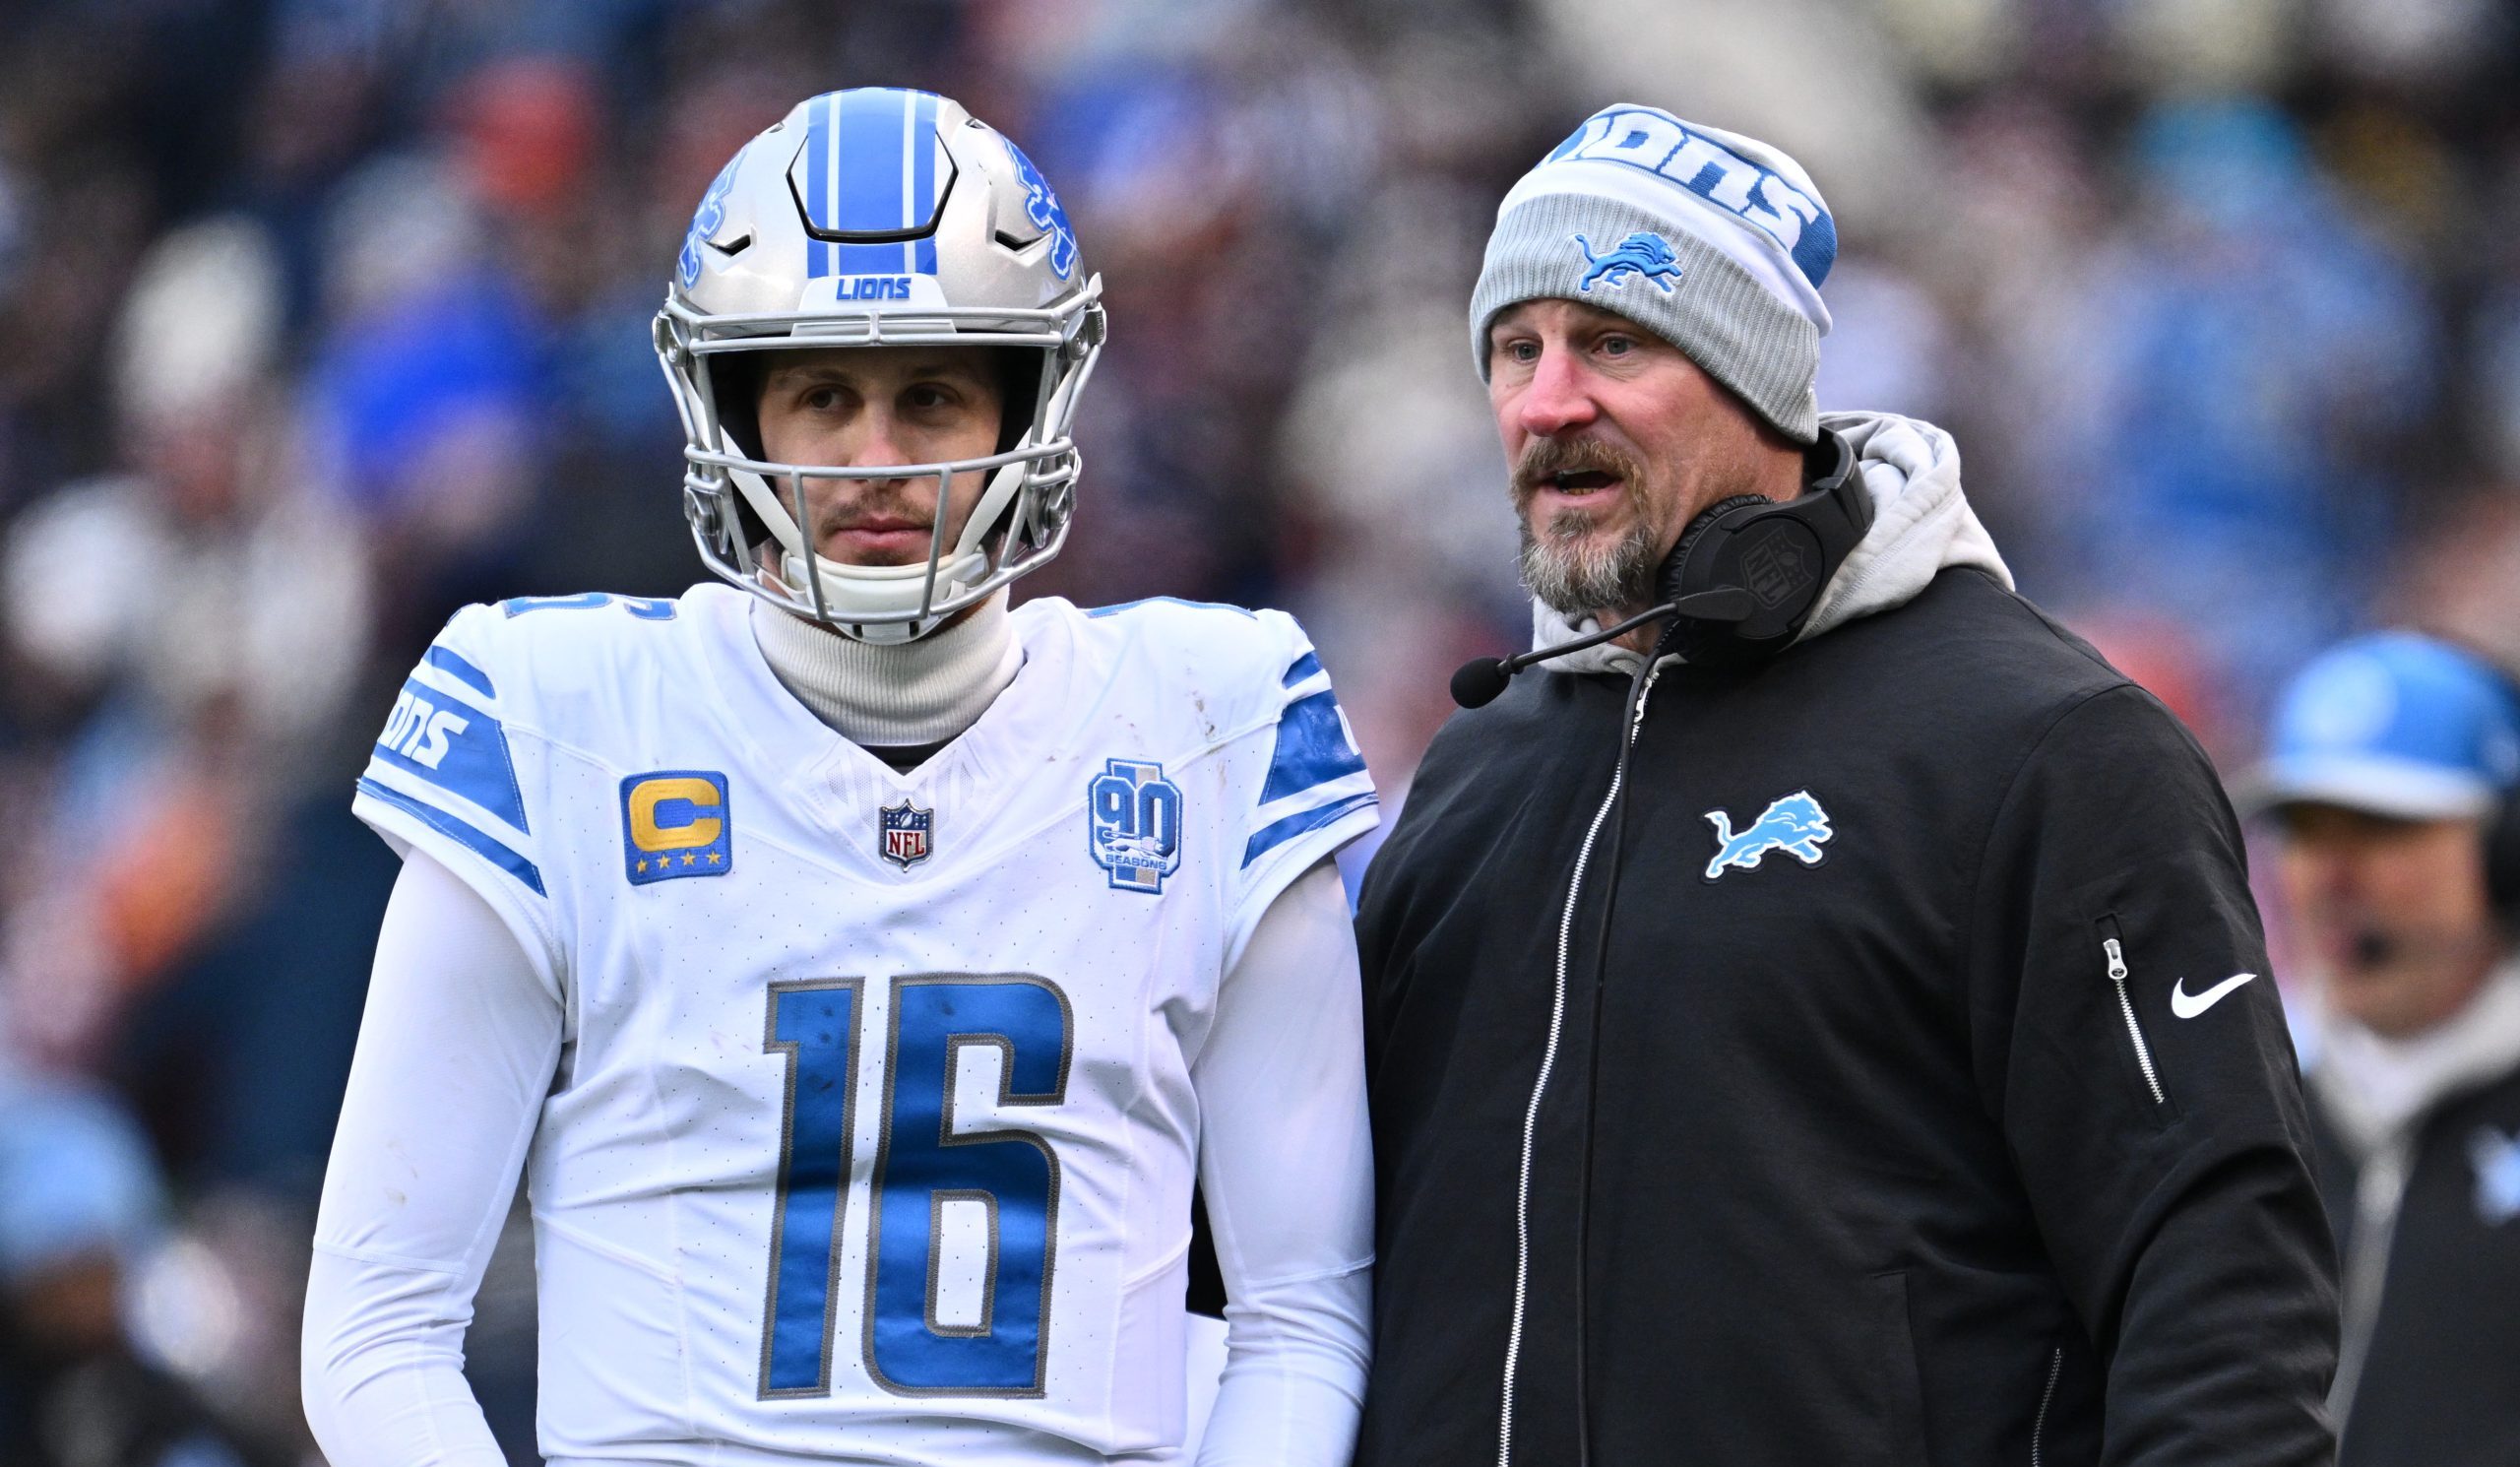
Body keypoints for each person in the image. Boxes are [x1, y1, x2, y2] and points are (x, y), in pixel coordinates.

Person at [299, 89, 1378, 1467]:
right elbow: (377, 1322)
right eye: (822, 395)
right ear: (735, 410)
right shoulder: (563, 719)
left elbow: (1301, 1321)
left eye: (929, 394)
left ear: (1032, 397)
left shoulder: (1207, 721)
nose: (875, 460)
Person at [1354, 103, 2338, 1466]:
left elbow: (2219, 1277)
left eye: (1615, 341)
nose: (1548, 400)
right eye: (1517, 348)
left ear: (1759, 380)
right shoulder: (1478, 771)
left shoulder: (2042, 747)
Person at [2244, 632, 2520, 1466]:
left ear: (2505, 852)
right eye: (2304, 827)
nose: (2328, 878)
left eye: (2381, 828)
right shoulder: (2226, 1097)